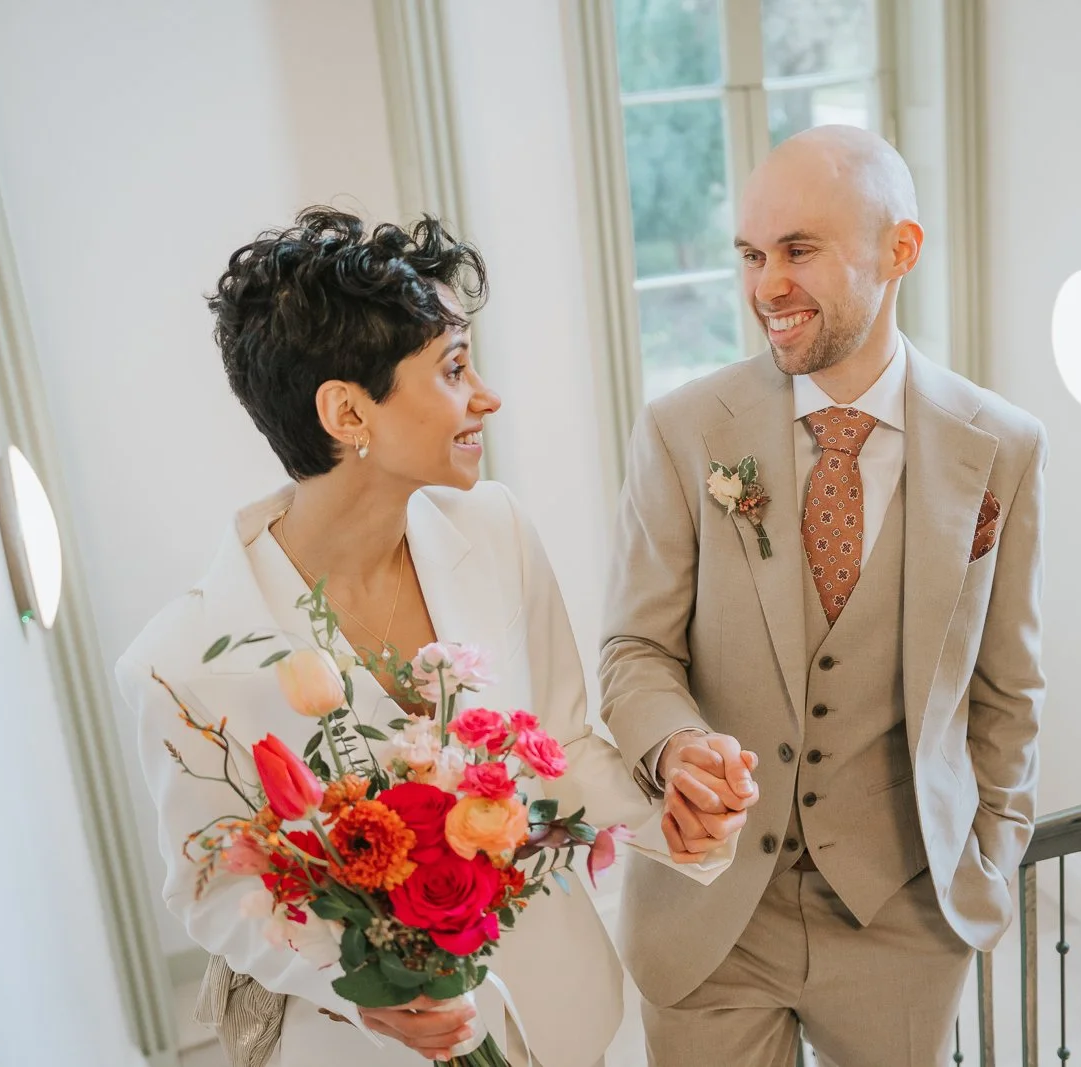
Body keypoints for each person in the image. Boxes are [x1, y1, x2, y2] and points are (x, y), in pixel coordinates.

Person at [117, 209, 734, 1067]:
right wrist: (367, 992)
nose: (487, 393)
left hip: (563, 1014)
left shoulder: (497, 528)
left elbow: (558, 745)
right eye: (453, 368)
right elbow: (216, 892)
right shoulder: (182, 664)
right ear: (346, 412)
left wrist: (667, 813)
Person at [600, 125, 1048, 1066]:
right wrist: (679, 748)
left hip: (903, 922)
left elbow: (1007, 686)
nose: (767, 285)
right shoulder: (682, 433)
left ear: (900, 250)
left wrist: (992, 854)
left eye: (799, 249)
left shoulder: (1001, 445)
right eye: (753, 255)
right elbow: (635, 653)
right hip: (708, 916)